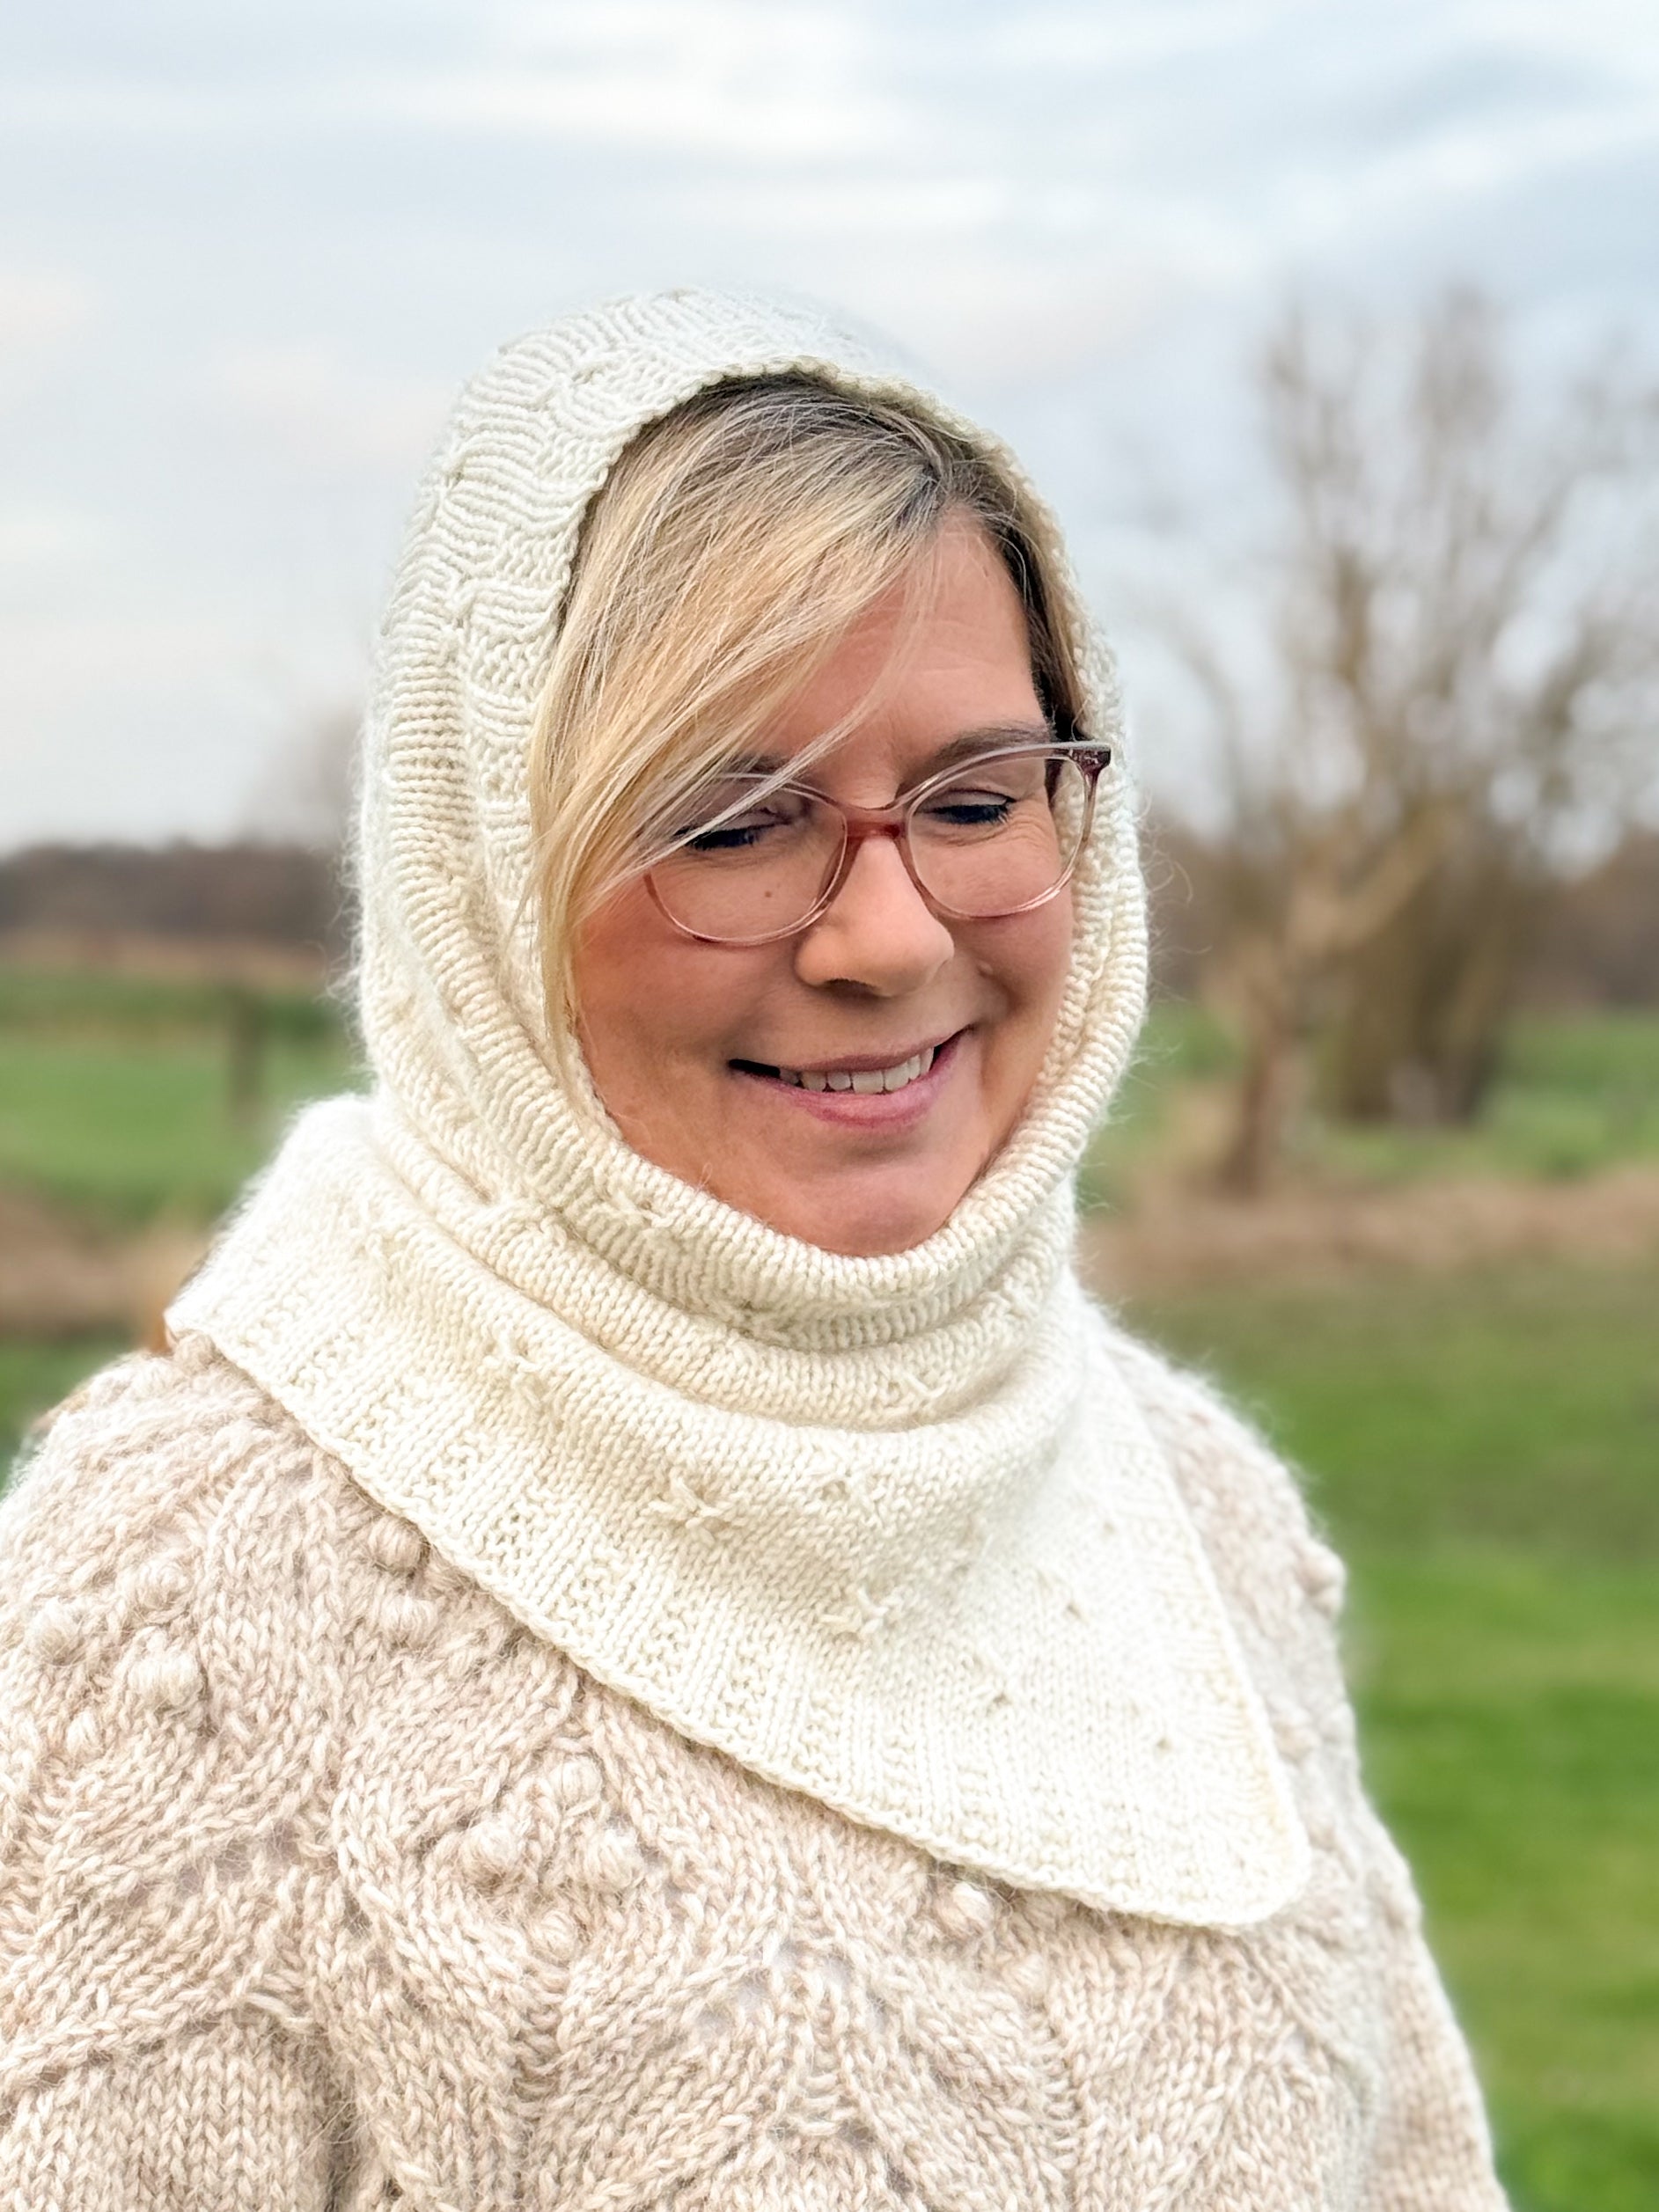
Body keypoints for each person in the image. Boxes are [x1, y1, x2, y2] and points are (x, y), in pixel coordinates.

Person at [0, 290, 1508, 2209]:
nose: (888, 937)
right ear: (487, 867)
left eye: (978, 799)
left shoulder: (1195, 1510)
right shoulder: (187, 1594)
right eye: (728, 822)